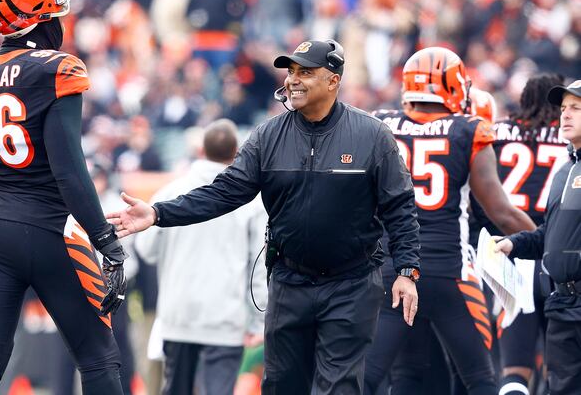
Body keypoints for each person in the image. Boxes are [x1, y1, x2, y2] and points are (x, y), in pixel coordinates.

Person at [108, 39, 422, 394]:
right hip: (290, 282)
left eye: (306, 71)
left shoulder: (371, 135)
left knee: (339, 388)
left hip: (351, 282)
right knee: (282, 386)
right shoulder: (268, 136)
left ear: (333, 80)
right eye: (291, 71)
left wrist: (407, 271)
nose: (293, 79)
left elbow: (400, 207)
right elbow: (222, 192)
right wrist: (157, 213)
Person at [0, 0, 127, 393]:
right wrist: (106, 240)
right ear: (37, 14)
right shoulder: (57, 69)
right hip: (46, 228)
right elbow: (69, 172)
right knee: (98, 356)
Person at [365, 47, 536, 395]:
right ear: (456, 87)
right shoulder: (468, 129)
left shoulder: (378, 124)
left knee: (372, 378)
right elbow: (500, 211)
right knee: (480, 380)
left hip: (390, 271)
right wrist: (544, 239)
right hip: (447, 272)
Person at [133, 119, 267, 395]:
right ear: (236, 153)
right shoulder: (251, 201)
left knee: (176, 389)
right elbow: (258, 267)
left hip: (177, 313)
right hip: (225, 317)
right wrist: (257, 320)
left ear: (201, 151)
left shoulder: (170, 191)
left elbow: (146, 250)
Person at [474, 73, 566, 395]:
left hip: (510, 256)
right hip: (557, 255)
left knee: (514, 369)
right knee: (564, 367)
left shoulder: (495, 131)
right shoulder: (569, 137)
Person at [495, 79, 581, 395]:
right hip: (557, 293)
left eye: (576, 108)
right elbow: (550, 231)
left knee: (514, 367)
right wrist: (514, 243)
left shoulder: (499, 134)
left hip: (554, 286)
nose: (566, 116)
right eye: (564, 109)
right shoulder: (566, 168)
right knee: (558, 381)